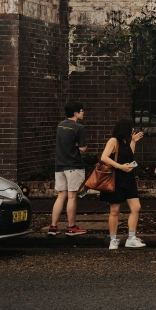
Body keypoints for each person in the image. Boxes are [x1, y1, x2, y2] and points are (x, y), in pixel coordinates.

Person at [99, 118, 146, 249]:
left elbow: (129, 156)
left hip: (128, 178)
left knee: (136, 207)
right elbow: (104, 157)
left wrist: (134, 142)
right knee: (115, 210)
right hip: (116, 178)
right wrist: (120, 166)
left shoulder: (126, 142)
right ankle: (113, 239)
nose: (133, 130)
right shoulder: (113, 141)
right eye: (131, 128)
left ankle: (131, 238)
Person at [48, 101, 88, 236]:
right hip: (73, 165)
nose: (83, 113)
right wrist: (77, 145)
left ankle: (53, 226)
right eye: (81, 111)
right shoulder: (78, 127)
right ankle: (71, 226)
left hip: (59, 165)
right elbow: (83, 148)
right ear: (75, 113)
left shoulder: (60, 125)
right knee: (72, 197)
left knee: (61, 196)